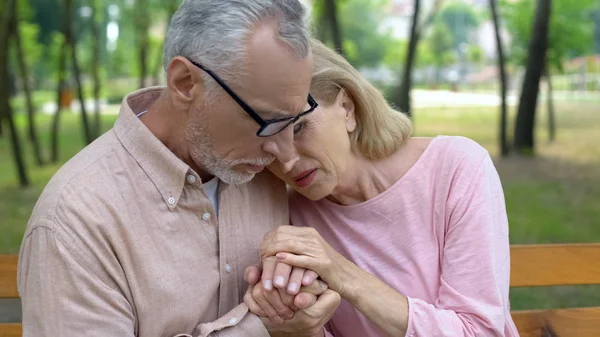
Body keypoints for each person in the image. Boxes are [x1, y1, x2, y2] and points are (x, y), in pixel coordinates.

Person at [17, 2, 339, 336]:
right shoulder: (76, 220)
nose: (285, 155)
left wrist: (303, 296)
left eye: (295, 120)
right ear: (185, 82)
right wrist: (262, 329)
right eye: (267, 121)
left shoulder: (262, 168)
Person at [245, 39, 520, 336]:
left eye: (298, 128)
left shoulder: (456, 168)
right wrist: (296, 319)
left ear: (347, 108)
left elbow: (479, 331)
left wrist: (342, 273)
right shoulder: (293, 217)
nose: (286, 162)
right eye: (269, 148)